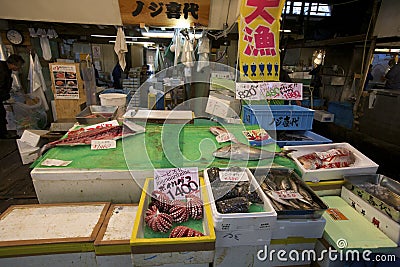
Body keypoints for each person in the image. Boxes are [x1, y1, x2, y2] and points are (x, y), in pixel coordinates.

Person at [0, 54, 25, 139]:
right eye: (19, 66)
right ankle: (3, 135)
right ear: (14, 64)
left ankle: (3, 134)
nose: (19, 68)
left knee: (2, 114)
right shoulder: (2, 70)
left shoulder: (6, 69)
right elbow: (1, 86)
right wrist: (6, 97)